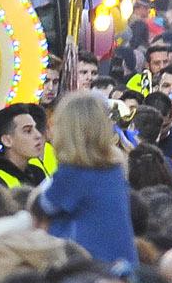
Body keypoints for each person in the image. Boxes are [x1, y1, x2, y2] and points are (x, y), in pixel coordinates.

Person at [35, 91, 136, 271]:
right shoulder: (114, 169)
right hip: (122, 265)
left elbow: (42, 206)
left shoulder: (73, 174)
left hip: (92, 272)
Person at [0, 103, 48, 190]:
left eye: (36, 128)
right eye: (28, 131)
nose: (38, 135)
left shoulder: (37, 173)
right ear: (7, 141)